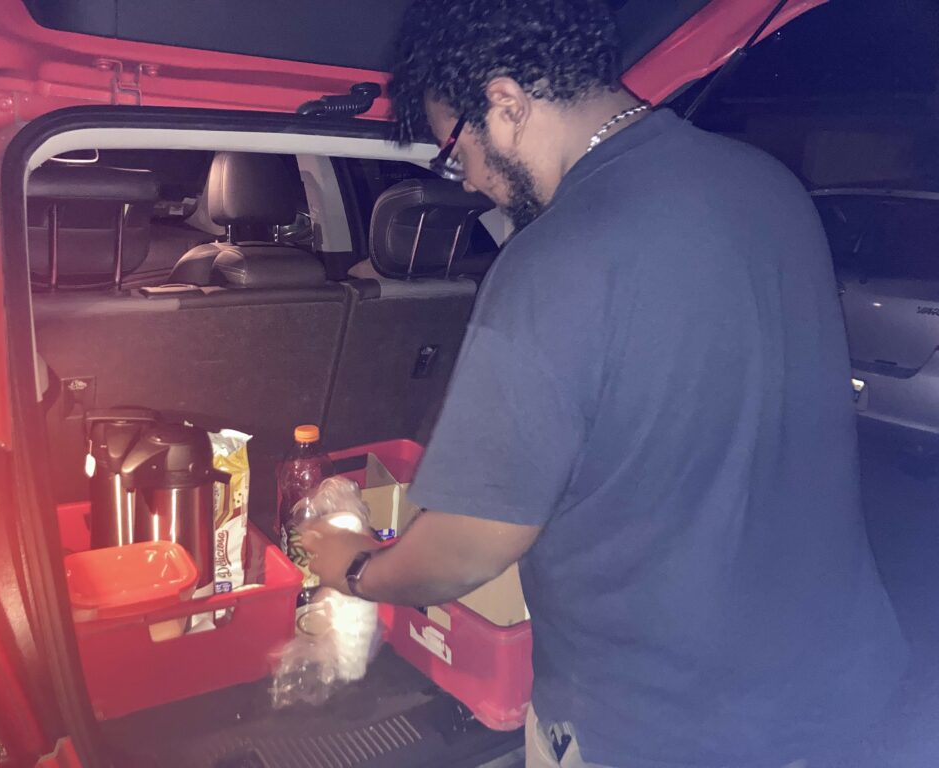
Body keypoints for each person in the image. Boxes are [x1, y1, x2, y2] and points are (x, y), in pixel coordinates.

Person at [301, 2, 907, 766]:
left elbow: (465, 552)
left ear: (506, 103)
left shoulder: (551, 262)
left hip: (664, 730)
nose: (472, 181)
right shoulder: (767, 185)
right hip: (845, 693)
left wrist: (353, 566)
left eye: (458, 152)